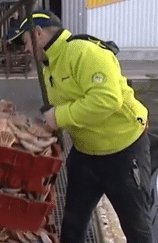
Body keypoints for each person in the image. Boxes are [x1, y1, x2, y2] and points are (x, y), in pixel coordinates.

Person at [11, 10, 152, 243]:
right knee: (72, 227)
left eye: (26, 42)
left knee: (137, 229)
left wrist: (59, 116)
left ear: (38, 33)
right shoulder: (50, 65)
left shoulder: (84, 52)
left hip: (123, 155)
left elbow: (107, 99)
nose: (26, 50)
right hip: (85, 155)